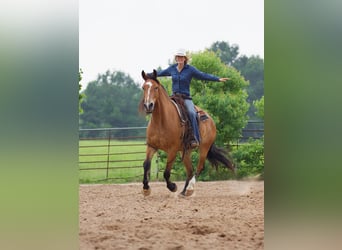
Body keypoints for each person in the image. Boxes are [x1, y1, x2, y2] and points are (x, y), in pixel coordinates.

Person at [152, 49, 229, 148]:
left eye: (181, 57)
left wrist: (217, 79)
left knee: (192, 113)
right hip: (174, 97)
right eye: (178, 57)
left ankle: (195, 138)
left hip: (185, 98)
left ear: (185, 58)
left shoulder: (190, 70)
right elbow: (159, 73)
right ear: (176, 58)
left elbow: (203, 75)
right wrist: (147, 75)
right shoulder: (172, 69)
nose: (179, 59)